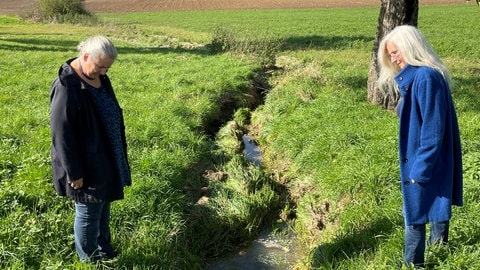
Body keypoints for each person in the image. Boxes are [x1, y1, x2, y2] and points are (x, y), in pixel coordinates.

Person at [377, 25, 463, 267]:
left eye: (396, 52)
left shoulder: (425, 77)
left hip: (423, 157)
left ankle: (413, 264)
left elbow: (433, 130)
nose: (394, 59)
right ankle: (440, 251)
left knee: (414, 215)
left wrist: (420, 169)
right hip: (427, 156)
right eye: (391, 55)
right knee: (437, 198)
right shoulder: (422, 77)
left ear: (410, 47)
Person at [49, 36, 131, 263]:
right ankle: (89, 260)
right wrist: (74, 173)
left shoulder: (98, 77)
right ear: (85, 56)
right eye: (100, 66)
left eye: (107, 67)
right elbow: (61, 135)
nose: (104, 72)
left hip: (106, 156)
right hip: (86, 164)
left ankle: (104, 249)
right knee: (88, 212)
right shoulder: (67, 87)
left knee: (104, 206)